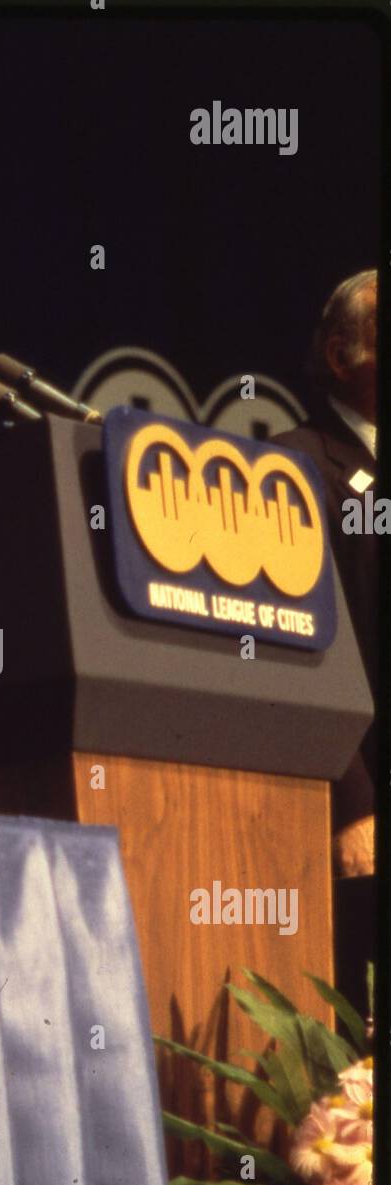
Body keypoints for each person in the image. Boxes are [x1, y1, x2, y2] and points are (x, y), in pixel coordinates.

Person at [272, 270, 379, 1013]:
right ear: (345, 355)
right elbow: (301, 647)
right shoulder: (294, 466)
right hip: (363, 813)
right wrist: (353, 803)